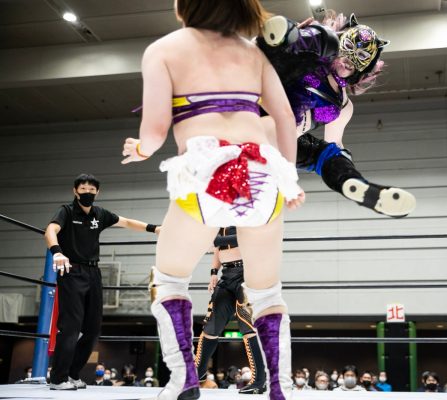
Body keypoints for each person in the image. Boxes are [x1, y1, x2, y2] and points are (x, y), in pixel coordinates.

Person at [120, 0, 304, 399]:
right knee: (267, 293)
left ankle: (184, 379)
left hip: (206, 169)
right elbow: (286, 118)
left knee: (169, 279)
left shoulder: (164, 49)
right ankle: (281, 389)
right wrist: (288, 177)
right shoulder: (253, 53)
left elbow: (154, 131)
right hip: (262, 171)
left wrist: (140, 149)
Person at [257, 12, 416, 218]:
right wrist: (289, 38)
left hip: (286, 146)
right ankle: (279, 38)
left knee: (329, 155)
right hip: (261, 120)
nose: (349, 60)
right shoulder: (314, 57)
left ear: (365, 69)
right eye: (348, 48)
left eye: (361, 57)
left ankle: (353, 184)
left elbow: (334, 143)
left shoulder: (343, 105)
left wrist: (343, 166)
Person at [44, 173, 160, 390]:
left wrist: (155, 228)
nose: (87, 193)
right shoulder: (66, 211)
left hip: (93, 273)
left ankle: (72, 374)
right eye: (83, 189)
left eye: (91, 190)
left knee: (93, 329)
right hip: (71, 271)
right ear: (75, 191)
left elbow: (126, 222)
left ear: (97, 192)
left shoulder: (100, 214)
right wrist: (57, 252)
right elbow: (51, 230)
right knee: (70, 326)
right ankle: (58, 378)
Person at [194, 227, 267, 394]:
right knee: (211, 325)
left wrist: (211, 240)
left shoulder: (246, 216)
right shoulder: (218, 221)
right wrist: (214, 272)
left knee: (247, 326)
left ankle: (259, 381)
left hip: (247, 274)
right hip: (226, 275)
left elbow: (243, 237)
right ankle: (199, 372)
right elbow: (218, 249)